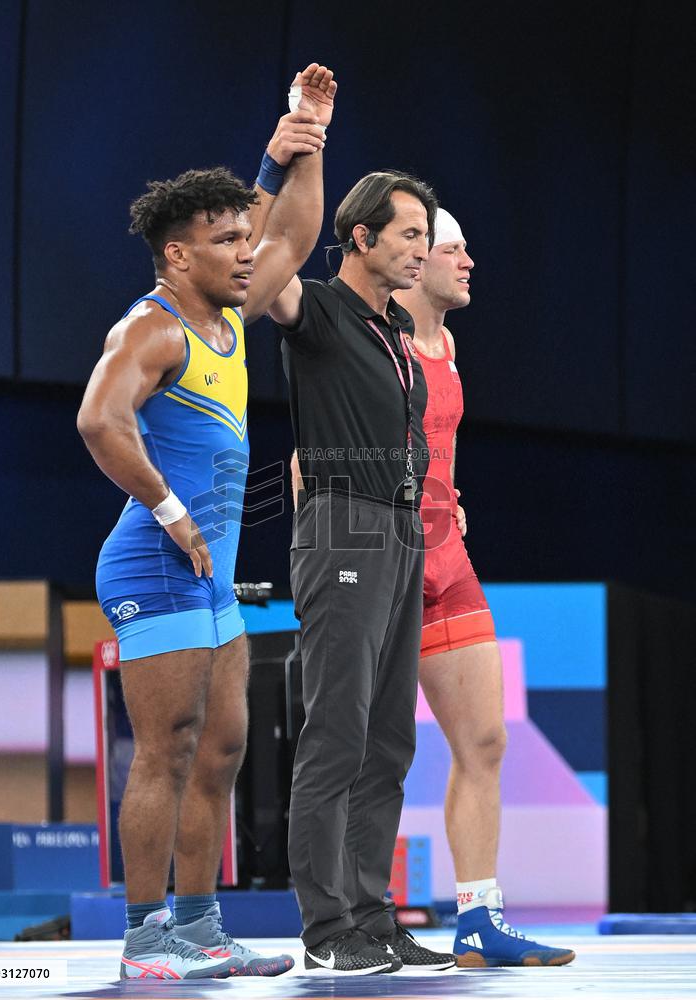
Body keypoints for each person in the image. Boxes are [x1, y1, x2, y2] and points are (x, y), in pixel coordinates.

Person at [77, 63, 336, 980]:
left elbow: (296, 230)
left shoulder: (229, 315)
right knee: (168, 747)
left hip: (209, 572)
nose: (245, 252)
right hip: (156, 561)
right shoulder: (151, 330)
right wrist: (173, 511)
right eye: (226, 241)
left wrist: (301, 138)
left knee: (220, 746)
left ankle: (200, 927)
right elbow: (98, 422)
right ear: (179, 255)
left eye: (242, 238)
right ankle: (146, 938)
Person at [268, 172, 457, 975]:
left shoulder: (393, 330)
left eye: (426, 235)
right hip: (342, 527)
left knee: (388, 744)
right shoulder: (315, 310)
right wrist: (294, 156)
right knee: (337, 736)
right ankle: (325, 931)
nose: (425, 249)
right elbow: (267, 259)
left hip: (400, 531)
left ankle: (374, 919)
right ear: (360, 237)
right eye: (411, 234)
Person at [394, 207, 576, 968]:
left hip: (448, 558)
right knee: (372, 753)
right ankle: (350, 919)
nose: (469, 261)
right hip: (384, 560)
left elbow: (446, 441)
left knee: (486, 740)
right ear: (415, 260)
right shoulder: (378, 343)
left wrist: (452, 496)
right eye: (454, 249)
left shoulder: (447, 342)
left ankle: (477, 921)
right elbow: (314, 458)